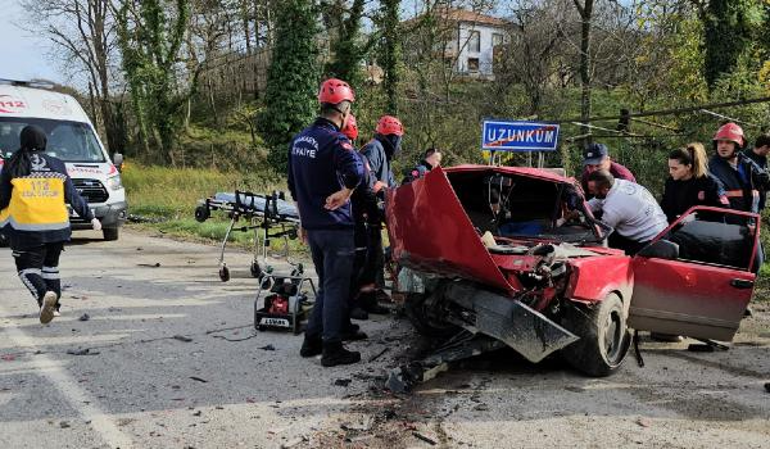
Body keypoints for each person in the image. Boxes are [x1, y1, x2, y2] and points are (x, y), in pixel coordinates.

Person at [289, 78, 365, 367]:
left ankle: (311, 340)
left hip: (313, 227)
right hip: (335, 227)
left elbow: (293, 185)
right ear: (343, 109)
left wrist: (303, 220)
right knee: (335, 286)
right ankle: (331, 347)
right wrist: (346, 192)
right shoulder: (336, 141)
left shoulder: (299, 140)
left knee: (325, 283)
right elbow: (356, 172)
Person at [0, 125, 101, 324]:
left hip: (26, 229)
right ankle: (53, 308)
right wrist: (91, 217)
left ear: (23, 142)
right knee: (50, 268)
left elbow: (2, 197)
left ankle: (43, 294)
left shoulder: (13, 164)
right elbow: (72, 195)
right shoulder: (57, 164)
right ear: (44, 141)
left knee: (26, 270)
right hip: (57, 229)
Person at [358, 115, 404, 313]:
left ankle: (371, 297)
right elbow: (368, 180)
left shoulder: (384, 155)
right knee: (368, 260)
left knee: (375, 259)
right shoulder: (374, 148)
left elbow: (391, 186)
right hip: (367, 216)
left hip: (375, 217)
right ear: (392, 137)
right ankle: (363, 300)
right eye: (397, 139)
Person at [586, 170, 668, 255]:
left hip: (652, 241)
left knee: (611, 252)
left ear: (605, 189)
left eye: (593, 190)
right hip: (663, 229)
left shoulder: (614, 207)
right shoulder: (618, 184)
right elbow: (598, 200)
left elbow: (601, 234)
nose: (590, 193)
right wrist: (581, 209)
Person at [660, 143, 728, 223]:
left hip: (705, 231)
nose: (670, 172)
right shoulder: (671, 183)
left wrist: (697, 216)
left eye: (675, 169)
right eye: (670, 168)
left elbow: (724, 207)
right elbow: (665, 207)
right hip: (678, 230)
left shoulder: (709, 182)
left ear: (688, 167)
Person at [743, 133, 770, 210]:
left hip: (759, 203)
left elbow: (764, 185)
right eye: (769, 149)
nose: (769, 152)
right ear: (764, 147)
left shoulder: (763, 159)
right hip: (748, 203)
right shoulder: (745, 157)